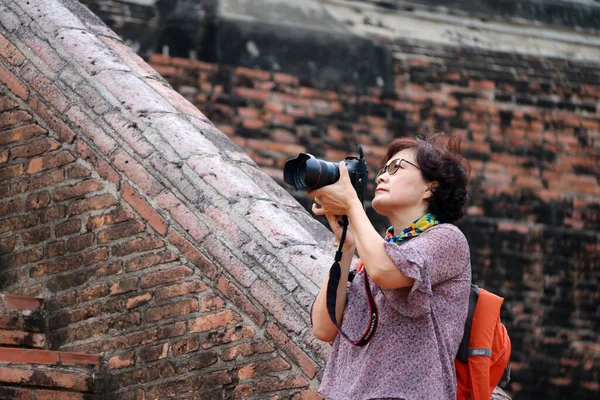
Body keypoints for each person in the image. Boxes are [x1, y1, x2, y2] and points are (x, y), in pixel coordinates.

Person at [309, 133, 472, 400]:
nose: (381, 177)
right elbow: (323, 328)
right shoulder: (375, 256)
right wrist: (347, 247)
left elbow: (387, 271)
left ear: (430, 187)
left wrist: (351, 205)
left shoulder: (447, 239)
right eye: (382, 170)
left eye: (396, 169)